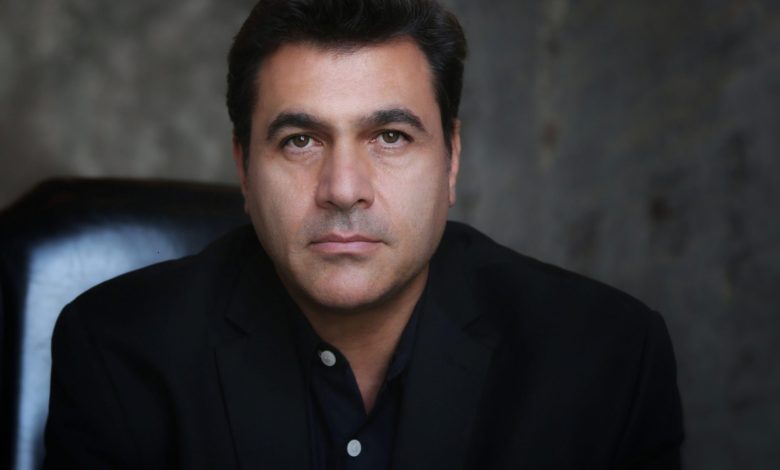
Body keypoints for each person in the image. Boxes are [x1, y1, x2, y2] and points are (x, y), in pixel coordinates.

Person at [43, 0, 684, 468]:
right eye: (300, 140)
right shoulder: (118, 353)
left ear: (452, 160)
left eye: (391, 137)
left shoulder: (607, 360)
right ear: (244, 168)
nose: (344, 188)